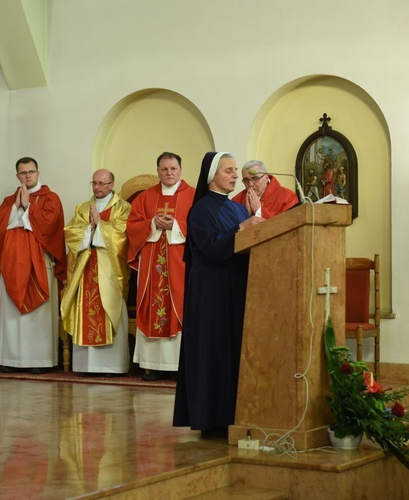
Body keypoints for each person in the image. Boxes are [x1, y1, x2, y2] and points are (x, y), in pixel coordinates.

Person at [173, 152, 261, 438]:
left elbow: (247, 238)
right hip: (210, 292)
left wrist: (255, 217)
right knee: (214, 352)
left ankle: (234, 413)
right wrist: (242, 227)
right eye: (229, 171)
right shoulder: (200, 209)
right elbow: (210, 246)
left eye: (236, 170)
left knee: (232, 351)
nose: (236, 175)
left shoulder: (236, 208)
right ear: (212, 176)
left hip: (234, 288)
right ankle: (212, 418)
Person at [0, 157, 67, 374]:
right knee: (13, 312)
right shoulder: (9, 200)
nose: (28, 176)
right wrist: (16, 207)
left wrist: (27, 207)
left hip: (40, 262)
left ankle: (39, 361)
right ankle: (10, 359)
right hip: (13, 264)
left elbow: (51, 226)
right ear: (17, 176)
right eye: (23, 173)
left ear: (38, 173)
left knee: (38, 315)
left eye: (31, 172)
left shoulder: (51, 198)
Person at [126, 152, 195, 381]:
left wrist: (175, 224)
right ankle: (152, 365)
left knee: (179, 304)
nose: (169, 173)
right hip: (151, 263)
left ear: (181, 170)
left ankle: (179, 365)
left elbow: (199, 224)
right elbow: (132, 226)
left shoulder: (193, 196)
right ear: (158, 171)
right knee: (151, 305)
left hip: (179, 263)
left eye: (173, 168)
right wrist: (152, 224)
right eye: (164, 169)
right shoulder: (146, 197)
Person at [61, 169, 132, 376]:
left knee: (108, 308)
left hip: (110, 269)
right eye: (94, 183)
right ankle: (86, 366)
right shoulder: (83, 208)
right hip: (86, 266)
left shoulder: (123, 208)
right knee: (86, 308)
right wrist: (89, 230)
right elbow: (71, 234)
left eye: (102, 183)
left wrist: (101, 225)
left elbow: (123, 236)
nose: (97, 187)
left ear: (112, 185)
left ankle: (112, 366)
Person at [231, 160, 299, 219]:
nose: (250, 184)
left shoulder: (288, 197)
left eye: (255, 179)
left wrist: (259, 211)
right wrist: (245, 215)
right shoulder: (236, 201)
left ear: (266, 177)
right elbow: (230, 229)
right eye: (246, 180)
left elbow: (289, 223)